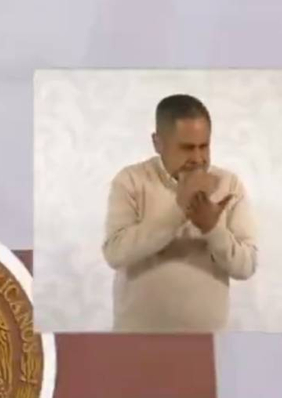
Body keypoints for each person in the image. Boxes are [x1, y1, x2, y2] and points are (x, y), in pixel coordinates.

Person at [101, 94, 258, 332]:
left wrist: (212, 229)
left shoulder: (229, 184)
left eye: (204, 146)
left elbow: (245, 267)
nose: (197, 158)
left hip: (207, 338)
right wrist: (179, 209)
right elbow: (115, 254)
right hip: (136, 336)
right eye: (186, 148)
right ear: (157, 143)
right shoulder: (130, 180)